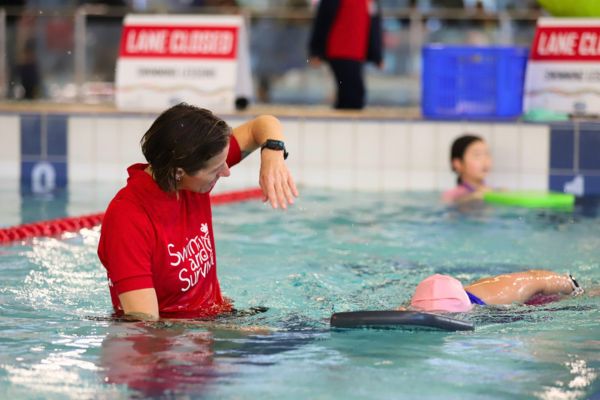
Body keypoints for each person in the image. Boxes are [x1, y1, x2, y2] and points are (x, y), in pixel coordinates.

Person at [97, 103, 298, 321]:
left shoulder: (188, 173)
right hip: (177, 342)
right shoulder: (128, 220)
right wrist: (226, 334)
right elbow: (144, 324)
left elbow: (262, 124)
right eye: (216, 169)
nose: (227, 171)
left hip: (214, 319)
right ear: (178, 172)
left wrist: (272, 155)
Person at [308, 0, 383, 110]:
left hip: (357, 53)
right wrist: (316, 51)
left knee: (352, 94)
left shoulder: (369, 2)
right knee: (352, 93)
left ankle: (344, 121)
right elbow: (322, 21)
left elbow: (373, 27)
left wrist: (377, 55)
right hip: (339, 51)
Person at [408, 270, 584, 313]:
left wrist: (577, 290)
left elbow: (538, 278)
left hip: (539, 297)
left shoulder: (504, 291)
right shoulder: (413, 308)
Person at [442, 134, 492, 204]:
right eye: (477, 155)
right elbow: (447, 202)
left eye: (487, 154)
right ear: (458, 164)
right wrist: (474, 196)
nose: (485, 160)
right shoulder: (452, 195)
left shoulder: (492, 191)